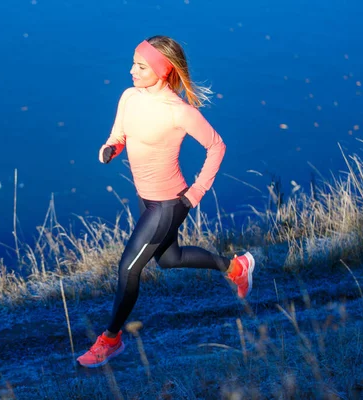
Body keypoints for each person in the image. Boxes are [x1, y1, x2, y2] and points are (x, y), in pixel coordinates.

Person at [76, 35, 256, 368]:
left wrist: (195, 194)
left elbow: (217, 147)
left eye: (140, 66)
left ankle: (111, 340)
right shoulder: (130, 97)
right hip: (145, 197)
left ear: (162, 70)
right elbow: (119, 135)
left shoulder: (178, 112)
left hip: (169, 203)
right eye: (133, 62)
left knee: (128, 268)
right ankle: (237, 267)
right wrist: (110, 149)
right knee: (169, 259)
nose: (131, 70)